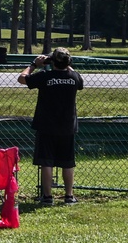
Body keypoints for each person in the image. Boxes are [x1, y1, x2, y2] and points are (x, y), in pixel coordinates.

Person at [18, 47, 84, 205]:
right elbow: (79, 81)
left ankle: (47, 197)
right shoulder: (74, 77)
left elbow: (22, 78)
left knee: (46, 161)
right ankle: (69, 196)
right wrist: (65, 64)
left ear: (52, 61)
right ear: (69, 62)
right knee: (68, 162)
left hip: (46, 125)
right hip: (67, 126)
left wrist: (34, 64)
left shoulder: (45, 76)